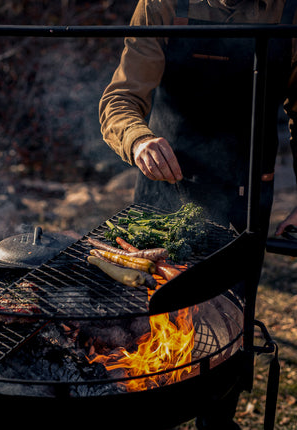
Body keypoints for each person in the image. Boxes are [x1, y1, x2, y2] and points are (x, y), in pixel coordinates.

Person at [99, 1, 297, 429]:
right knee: (145, 318)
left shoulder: (292, 11)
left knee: (229, 329)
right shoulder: (163, 5)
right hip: (164, 190)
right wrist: (137, 140)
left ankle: (216, 419)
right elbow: (122, 99)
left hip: (246, 195)